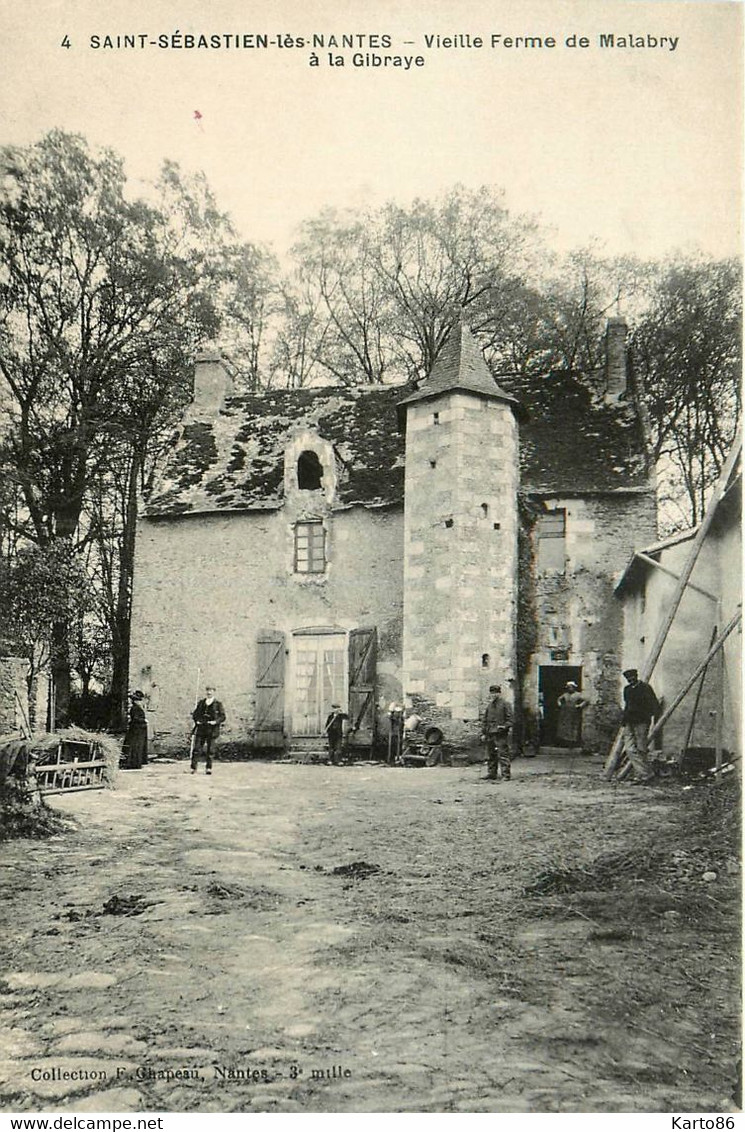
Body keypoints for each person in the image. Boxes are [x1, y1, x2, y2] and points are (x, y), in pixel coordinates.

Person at [621, 668, 660, 784]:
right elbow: (627, 705)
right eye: (628, 679)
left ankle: (642, 776)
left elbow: (654, 705)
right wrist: (624, 719)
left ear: (636, 676)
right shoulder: (627, 689)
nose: (630, 680)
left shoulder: (645, 688)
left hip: (642, 721)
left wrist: (647, 716)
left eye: (632, 678)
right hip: (629, 721)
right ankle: (647, 773)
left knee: (641, 749)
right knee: (629, 749)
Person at [481, 684, 513, 781]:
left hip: (500, 734)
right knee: (491, 755)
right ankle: (491, 773)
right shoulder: (489, 706)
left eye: (495, 693)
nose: (493, 695)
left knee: (503, 754)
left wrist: (504, 726)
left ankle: (506, 775)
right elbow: (485, 720)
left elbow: (510, 720)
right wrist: (483, 733)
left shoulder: (505, 704)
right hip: (490, 733)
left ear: (499, 693)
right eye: (492, 693)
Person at [191, 685, 226, 775]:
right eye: (207, 690)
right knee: (197, 749)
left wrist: (215, 722)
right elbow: (195, 714)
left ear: (214, 692)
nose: (209, 692)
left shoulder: (218, 704)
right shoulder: (201, 703)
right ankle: (194, 768)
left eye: (211, 691)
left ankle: (208, 768)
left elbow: (222, 716)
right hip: (201, 728)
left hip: (212, 729)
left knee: (210, 750)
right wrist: (197, 721)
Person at [556, 681, 588, 747]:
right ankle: (565, 742)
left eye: (571, 687)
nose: (570, 689)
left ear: (574, 688)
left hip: (574, 712)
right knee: (564, 726)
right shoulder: (565, 694)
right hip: (565, 711)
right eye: (568, 687)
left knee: (573, 726)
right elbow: (559, 699)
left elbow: (586, 700)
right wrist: (559, 704)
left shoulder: (578, 694)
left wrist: (579, 706)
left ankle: (573, 742)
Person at [123, 691, 148, 770]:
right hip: (136, 729)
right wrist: (143, 720)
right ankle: (133, 763)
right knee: (135, 746)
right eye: (138, 700)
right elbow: (135, 719)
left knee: (138, 746)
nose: (139, 702)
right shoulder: (135, 708)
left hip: (139, 729)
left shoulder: (137, 708)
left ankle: (137, 762)